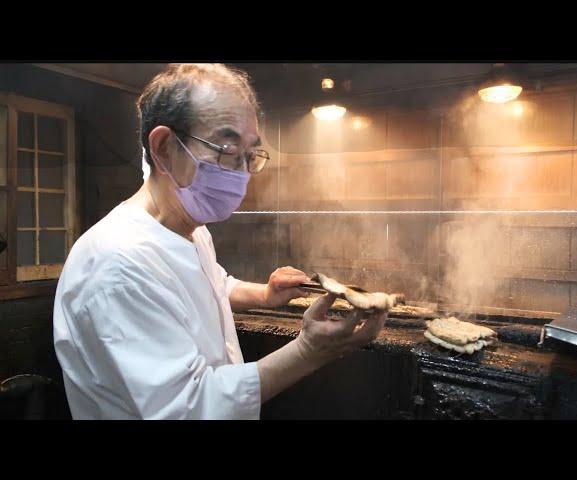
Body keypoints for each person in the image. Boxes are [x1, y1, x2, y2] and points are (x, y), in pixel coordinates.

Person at [53, 63, 387, 419]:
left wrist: (264, 293)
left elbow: (209, 284)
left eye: (250, 156)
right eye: (228, 152)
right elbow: (190, 407)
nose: (242, 174)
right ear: (165, 147)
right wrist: (308, 350)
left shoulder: (191, 230)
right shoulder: (117, 265)